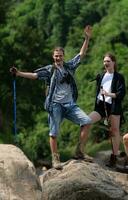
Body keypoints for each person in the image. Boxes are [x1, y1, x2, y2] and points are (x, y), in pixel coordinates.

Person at [10, 25, 93, 170]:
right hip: (55, 105)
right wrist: (19, 73)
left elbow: (81, 54)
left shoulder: (69, 67)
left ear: (63, 56)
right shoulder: (49, 69)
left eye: (60, 55)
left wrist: (86, 39)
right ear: (53, 57)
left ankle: (80, 151)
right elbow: (35, 75)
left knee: (86, 121)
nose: (58, 58)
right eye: (56, 56)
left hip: (70, 104)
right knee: (53, 132)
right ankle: (55, 159)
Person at [88, 52, 125, 167]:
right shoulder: (100, 76)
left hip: (113, 107)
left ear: (113, 62)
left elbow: (121, 94)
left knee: (114, 132)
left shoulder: (119, 77)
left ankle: (114, 157)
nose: (106, 63)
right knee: (86, 121)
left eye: (108, 61)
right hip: (100, 106)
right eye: (104, 61)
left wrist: (108, 94)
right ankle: (80, 151)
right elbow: (98, 92)